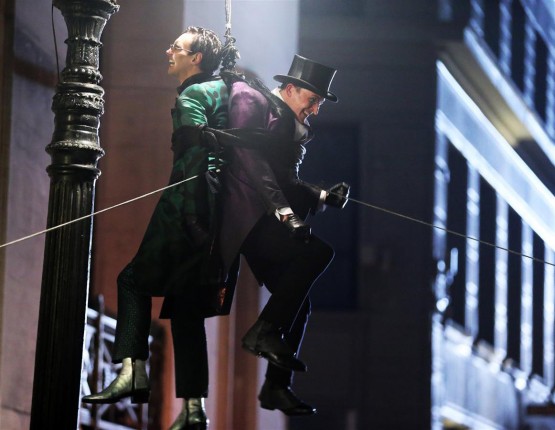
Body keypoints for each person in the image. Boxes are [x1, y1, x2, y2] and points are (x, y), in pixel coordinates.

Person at [83, 26, 232, 430]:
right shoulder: (224, 90)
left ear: (196, 58)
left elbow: (193, 156)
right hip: (219, 209)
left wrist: (189, 217)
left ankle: (133, 372)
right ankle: (194, 409)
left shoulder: (192, 95)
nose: (169, 51)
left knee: (131, 281)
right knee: (186, 309)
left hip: (187, 203)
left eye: (177, 48)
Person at [218, 55, 350, 416]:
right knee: (317, 253)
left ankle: (275, 387)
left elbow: (285, 180)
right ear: (290, 89)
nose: (315, 110)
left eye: (320, 103)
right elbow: (255, 169)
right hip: (247, 218)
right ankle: (262, 332)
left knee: (298, 303)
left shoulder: (285, 120)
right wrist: (287, 214)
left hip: (264, 216)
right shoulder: (265, 110)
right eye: (313, 100)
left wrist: (323, 197)